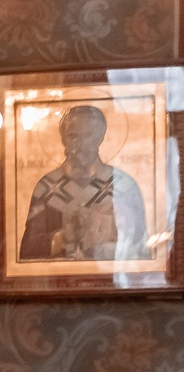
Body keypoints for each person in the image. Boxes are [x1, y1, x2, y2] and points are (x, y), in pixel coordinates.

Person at [19, 103, 150, 263]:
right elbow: (28, 250)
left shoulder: (124, 186)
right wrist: (61, 238)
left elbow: (141, 248)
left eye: (87, 135)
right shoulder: (46, 188)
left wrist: (107, 248)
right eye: (73, 136)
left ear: (100, 137)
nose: (79, 144)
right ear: (63, 139)